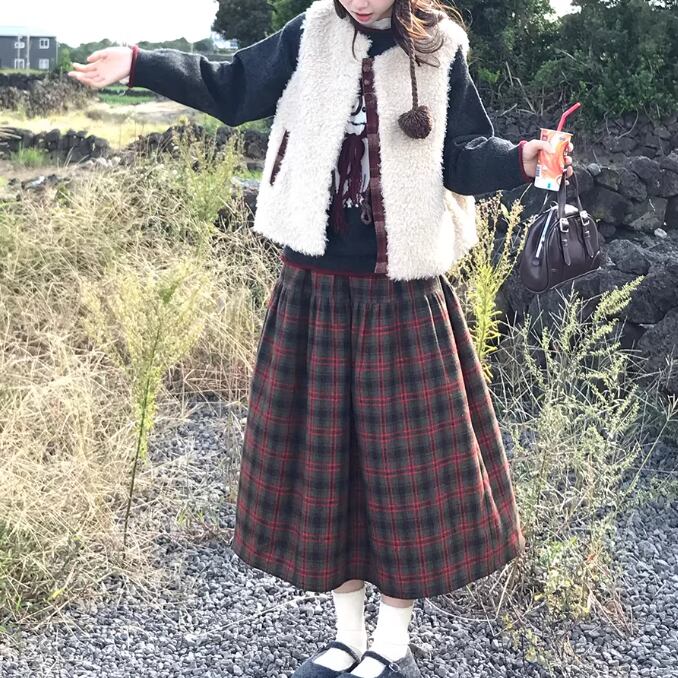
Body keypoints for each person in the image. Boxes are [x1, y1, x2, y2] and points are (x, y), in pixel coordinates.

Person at [69, 0, 574, 676]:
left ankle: (392, 645)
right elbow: (230, 87)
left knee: (402, 473)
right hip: (314, 288)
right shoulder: (309, 32)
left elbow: (461, 157)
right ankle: (347, 640)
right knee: (328, 469)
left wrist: (522, 158)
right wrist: (139, 64)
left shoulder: (440, 46)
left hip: (402, 291)